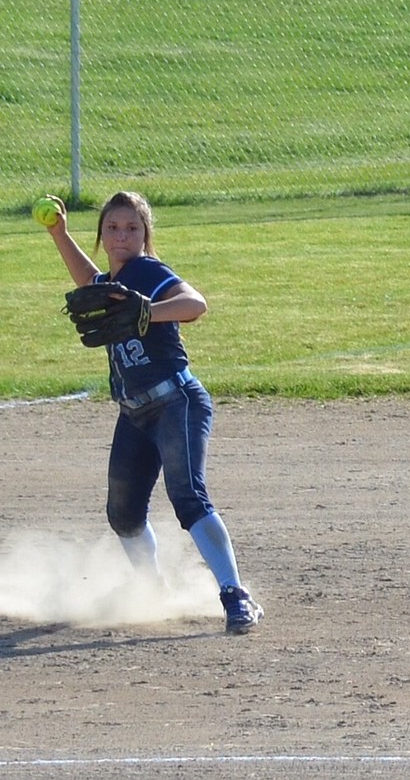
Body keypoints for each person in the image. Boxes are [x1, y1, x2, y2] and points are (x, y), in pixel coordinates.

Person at [39, 191, 264, 635]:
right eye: (112, 228)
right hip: (134, 413)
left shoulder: (149, 272)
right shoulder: (113, 282)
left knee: (188, 497)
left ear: (145, 236)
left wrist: (148, 311)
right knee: (123, 514)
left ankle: (237, 596)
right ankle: (151, 589)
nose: (122, 235)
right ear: (102, 236)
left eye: (132, 228)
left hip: (176, 402)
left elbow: (195, 304)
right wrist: (59, 234)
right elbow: (91, 283)